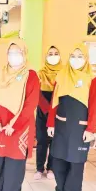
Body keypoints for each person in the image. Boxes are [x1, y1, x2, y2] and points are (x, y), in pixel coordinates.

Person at [47, 44, 96, 191]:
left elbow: (94, 105)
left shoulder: (92, 78)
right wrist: (50, 124)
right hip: (61, 125)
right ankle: (60, 189)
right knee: (58, 159)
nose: (76, 60)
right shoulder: (61, 76)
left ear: (86, 59)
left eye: (80, 56)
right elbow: (54, 102)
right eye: (73, 56)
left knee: (75, 161)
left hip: (80, 127)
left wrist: (90, 128)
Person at [0, 40, 39, 191]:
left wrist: (13, 125)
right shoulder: (0, 74)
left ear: (24, 54)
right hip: (0, 126)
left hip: (19, 127)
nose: (14, 55)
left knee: (15, 162)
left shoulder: (31, 75)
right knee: (1, 159)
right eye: (11, 52)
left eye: (18, 52)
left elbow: (30, 104)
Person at [34, 45, 63, 180]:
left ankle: (51, 168)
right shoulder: (40, 73)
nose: (53, 56)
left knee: (55, 142)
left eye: (56, 53)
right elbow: (36, 93)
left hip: (59, 111)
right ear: (46, 57)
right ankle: (39, 168)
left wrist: (54, 111)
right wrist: (47, 110)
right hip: (42, 112)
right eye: (50, 53)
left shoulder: (64, 74)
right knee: (42, 141)